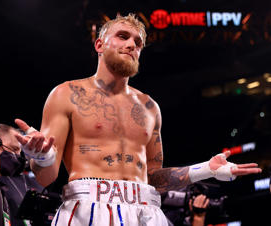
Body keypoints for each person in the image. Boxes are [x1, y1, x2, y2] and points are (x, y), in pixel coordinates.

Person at [14, 13, 262, 226]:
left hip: (146, 209)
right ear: (99, 44)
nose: (132, 44)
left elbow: (154, 178)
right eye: (123, 36)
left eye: (138, 42)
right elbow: (46, 178)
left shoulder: (149, 107)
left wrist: (206, 169)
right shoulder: (66, 94)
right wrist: (42, 155)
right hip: (88, 208)